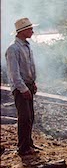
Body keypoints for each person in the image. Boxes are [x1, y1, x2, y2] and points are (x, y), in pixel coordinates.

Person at [5, 18, 40, 156]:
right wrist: (24, 88)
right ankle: (23, 148)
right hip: (21, 88)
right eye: (30, 29)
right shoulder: (13, 49)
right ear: (23, 31)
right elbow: (14, 73)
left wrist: (33, 82)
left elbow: (29, 67)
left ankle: (28, 143)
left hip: (28, 85)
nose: (32, 31)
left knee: (30, 116)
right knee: (24, 117)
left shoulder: (27, 46)